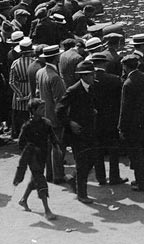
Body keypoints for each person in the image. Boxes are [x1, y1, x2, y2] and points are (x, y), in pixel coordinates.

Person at [56, 60, 98, 202]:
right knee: (82, 163)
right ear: (84, 76)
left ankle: (73, 180)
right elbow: (59, 110)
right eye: (92, 74)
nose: (94, 76)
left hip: (89, 131)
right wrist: (70, 122)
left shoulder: (92, 87)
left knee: (92, 159)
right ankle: (82, 194)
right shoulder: (73, 90)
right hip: (77, 134)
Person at [118, 53, 144, 192]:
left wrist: (121, 128)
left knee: (136, 156)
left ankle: (143, 183)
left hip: (133, 126)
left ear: (125, 67)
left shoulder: (128, 84)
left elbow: (125, 108)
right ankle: (143, 179)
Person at [15, 98, 58, 220]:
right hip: (32, 158)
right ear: (33, 111)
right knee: (41, 180)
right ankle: (47, 210)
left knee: (35, 179)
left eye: (44, 108)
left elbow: (52, 136)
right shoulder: (27, 126)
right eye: (40, 109)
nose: (43, 110)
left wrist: (56, 147)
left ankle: (23, 199)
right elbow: (21, 144)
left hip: (43, 155)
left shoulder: (46, 123)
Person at [88, 51, 126, 185]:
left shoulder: (89, 80)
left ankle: (101, 177)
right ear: (105, 64)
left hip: (95, 119)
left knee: (98, 150)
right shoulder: (114, 79)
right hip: (111, 119)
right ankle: (114, 176)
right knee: (113, 149)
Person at [35, 44, 67, 183]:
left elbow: (38, 92)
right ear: (55, 58)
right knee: (58, 146)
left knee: (48, 147)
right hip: (54, 117)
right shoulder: (55, 77)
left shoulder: (40, 72)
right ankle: (58, 175)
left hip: (44, 114)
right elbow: (60, 100)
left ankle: (49, 174)